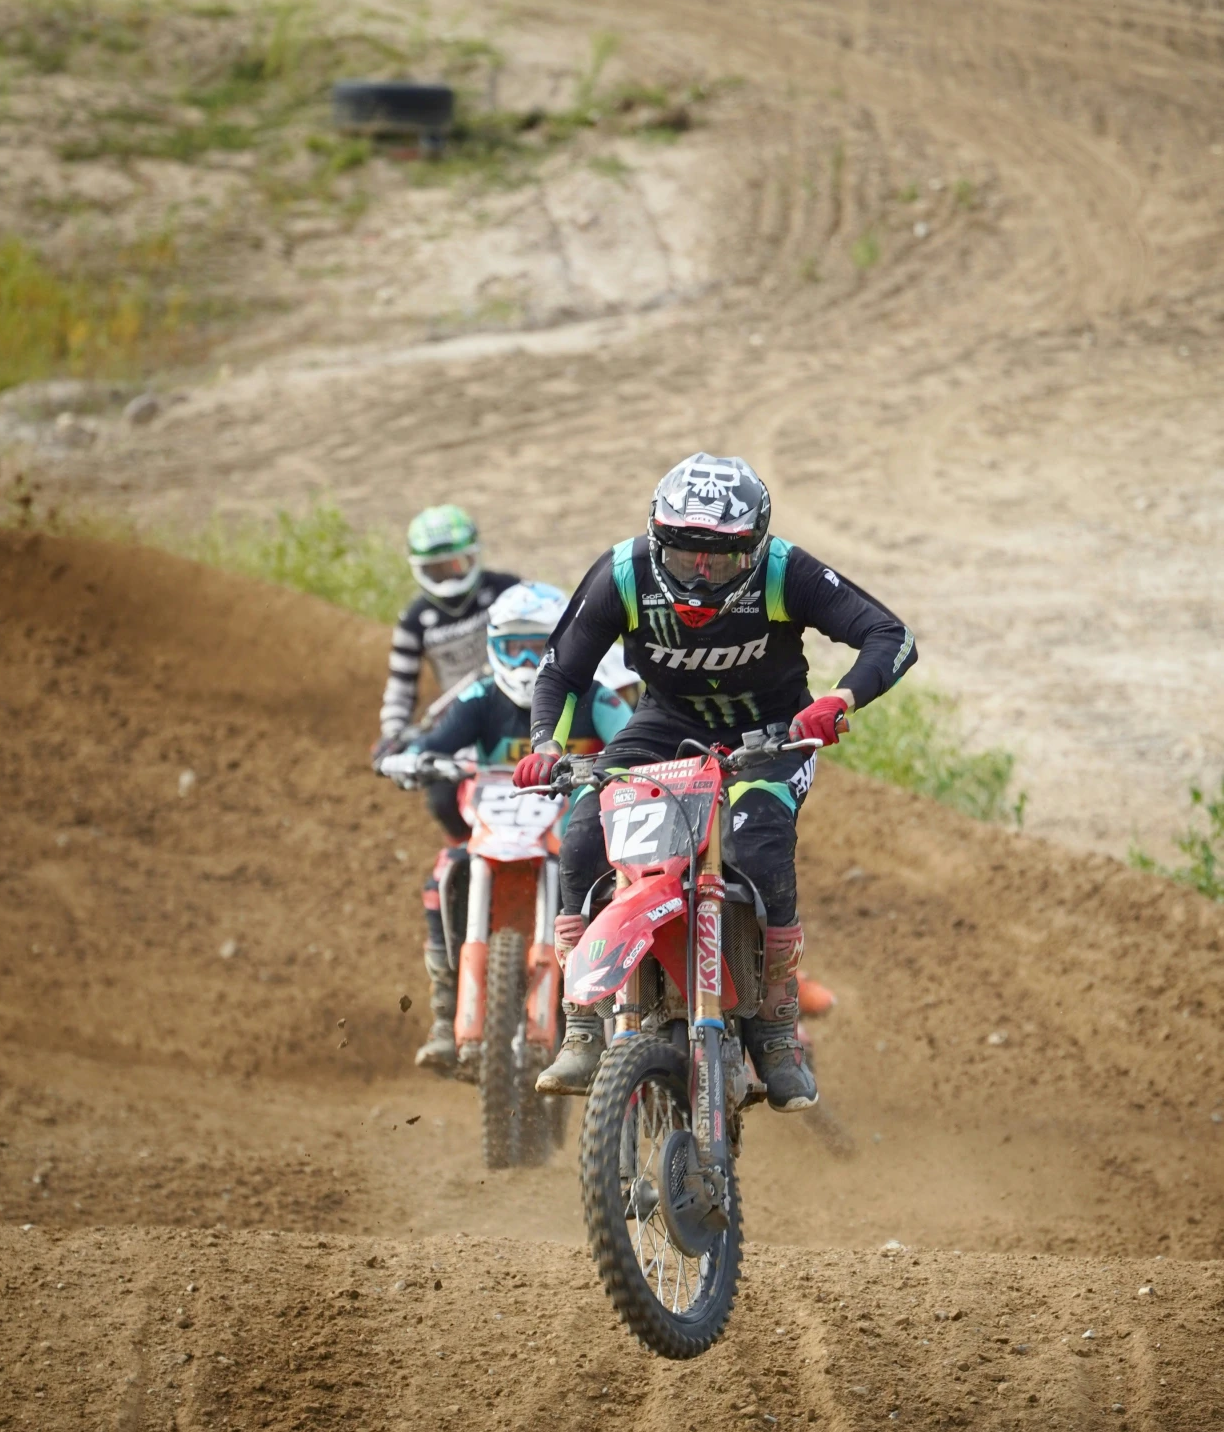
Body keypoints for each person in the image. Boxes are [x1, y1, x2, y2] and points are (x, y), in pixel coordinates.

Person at [513, 452, 916, 1107]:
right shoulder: (624, 571)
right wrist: (543, 744)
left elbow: (889, 635)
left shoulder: (786, 569)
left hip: (773, 733)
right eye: (681, 553)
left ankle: (776, 1027)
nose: (699, 571)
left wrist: (837, 701)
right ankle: (581, 1025)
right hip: (663, 723)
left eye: (719, 557)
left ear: (753, 550)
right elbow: (562, 670)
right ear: (655, 538)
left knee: (757, 850)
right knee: (584, 831)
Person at [397, 582, 631, 1072]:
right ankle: (445, 1013)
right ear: (494, 647)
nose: (525, 661)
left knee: (620, 890)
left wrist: (627, 760)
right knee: (442, 874)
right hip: (498, 826)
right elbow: (436, 741)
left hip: (576, 825)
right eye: (513, 647)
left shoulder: (593, 697)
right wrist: (412, 758)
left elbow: (632, 734)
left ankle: (623, 1014)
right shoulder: (481, 696)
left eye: (536, 647)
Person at [372, 505, 520, 847]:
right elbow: (400, 686)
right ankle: (465, 851)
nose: (449, 577)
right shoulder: (414, 620)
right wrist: (393, 732)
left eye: (456, 565)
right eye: (436, 570)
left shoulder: (507, 591)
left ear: (474, 556)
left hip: (520, 703)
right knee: (441, 797)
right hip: (463, 716)